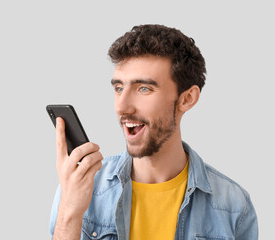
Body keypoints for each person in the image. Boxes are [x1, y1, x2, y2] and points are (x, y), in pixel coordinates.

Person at [49, 24, 258, 240]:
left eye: (144, 89)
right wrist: (69, 214)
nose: (122, 106)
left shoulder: (233, 206)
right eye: (119, 88)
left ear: (187, 99)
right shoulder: (80, 186)